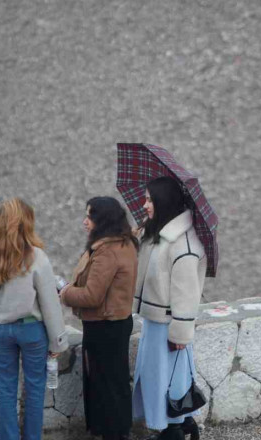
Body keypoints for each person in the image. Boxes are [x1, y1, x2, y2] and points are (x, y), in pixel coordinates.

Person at [0, 197, 69, 440]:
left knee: (6, 392)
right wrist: (57, 342)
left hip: (0, 330)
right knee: (35, 391)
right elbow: (50, 305)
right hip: (32, 330)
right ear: (26, 224)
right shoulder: (37, 257)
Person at [132, 177, 207, 440]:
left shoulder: (183, 245)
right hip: (156, 324)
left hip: (168, 329)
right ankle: (176, 426)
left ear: (163, 202)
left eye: (150, 199)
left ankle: (173, 429)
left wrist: (180, 336)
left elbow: (186, 295)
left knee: (168, 383)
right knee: (160, 381)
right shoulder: (160, 236)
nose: (144, 205)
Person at [60, 196, 138, 440]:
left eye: (90, 217)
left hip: (104, 327)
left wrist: (65, 293)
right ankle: (118, 432)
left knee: (106, 386)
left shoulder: (107, 252)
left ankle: (112, 434)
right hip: (116, 323)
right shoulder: (125, 243)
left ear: (102, 220)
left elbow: (93, 296)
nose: (85, 222)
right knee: (115, 384)